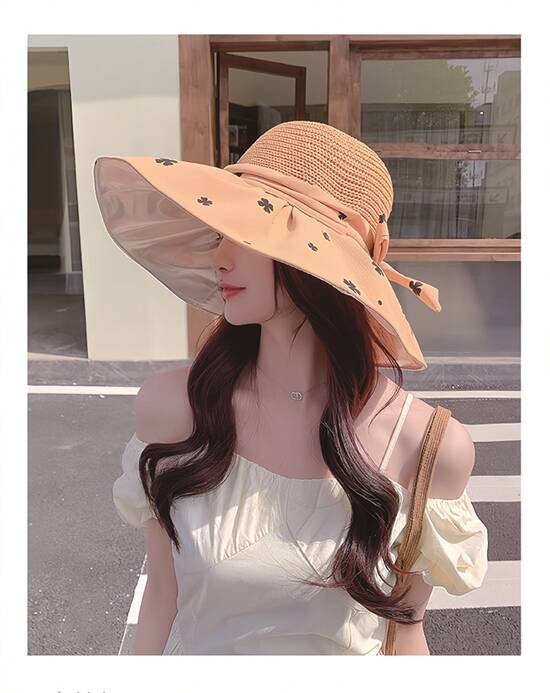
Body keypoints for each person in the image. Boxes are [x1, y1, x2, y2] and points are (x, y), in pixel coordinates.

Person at [94, 120, 489, 656]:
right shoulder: (173, 410)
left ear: (316, 264)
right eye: (219, 232)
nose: (219, 257)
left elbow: (407, 631)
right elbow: (162, 599)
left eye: (246, 235)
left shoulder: (428, 446)